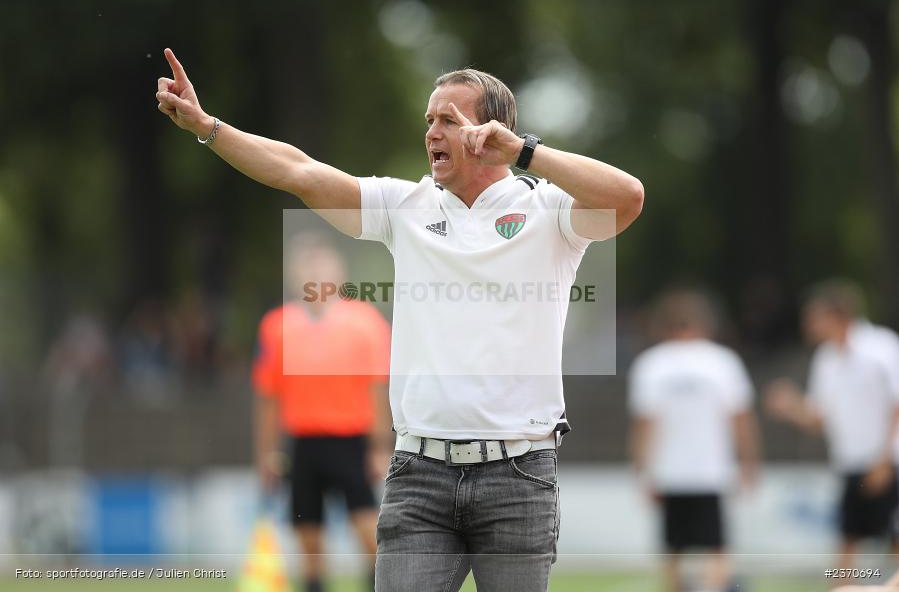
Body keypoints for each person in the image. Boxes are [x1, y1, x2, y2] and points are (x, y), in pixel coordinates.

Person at [156, 47, 644, 591]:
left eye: (448, 120)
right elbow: (299, 171)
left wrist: (526, 152)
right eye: (428, 120)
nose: (432, 132)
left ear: (490, 133)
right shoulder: (405, 206)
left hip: (519, 475)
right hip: (419, 476)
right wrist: (207, 127)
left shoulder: (549, 211)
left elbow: (628, 197)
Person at [253, 232, 392, 592]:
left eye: (323, 266)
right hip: (303, 444)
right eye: (306, 267)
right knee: (309, 543)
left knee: (369, 535)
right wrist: (267, 454)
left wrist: (379, 447)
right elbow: (268, 397)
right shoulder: (276, 326)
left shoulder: (365, 322)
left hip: (351, 441)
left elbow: (378, 389)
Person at [629, 289, 760, 592]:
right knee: (716, 546)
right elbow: (741, 420)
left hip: (669, 472)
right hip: (710, 471)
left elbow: (645, 426)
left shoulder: (652, 364)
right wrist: (749, 463)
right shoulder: (723, 362)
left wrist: (641, 471)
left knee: (674, 548)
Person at [765, 279, 899, 574]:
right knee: (849, 538)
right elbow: (819, 418)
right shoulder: (826, 358)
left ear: (838, 315)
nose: (810, 325)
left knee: (894, 540)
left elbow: (896, 405)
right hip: (852, 461)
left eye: (815, 317)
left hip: (888, 462)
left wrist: (885, 458)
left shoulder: (881, 348)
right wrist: (791, 407)